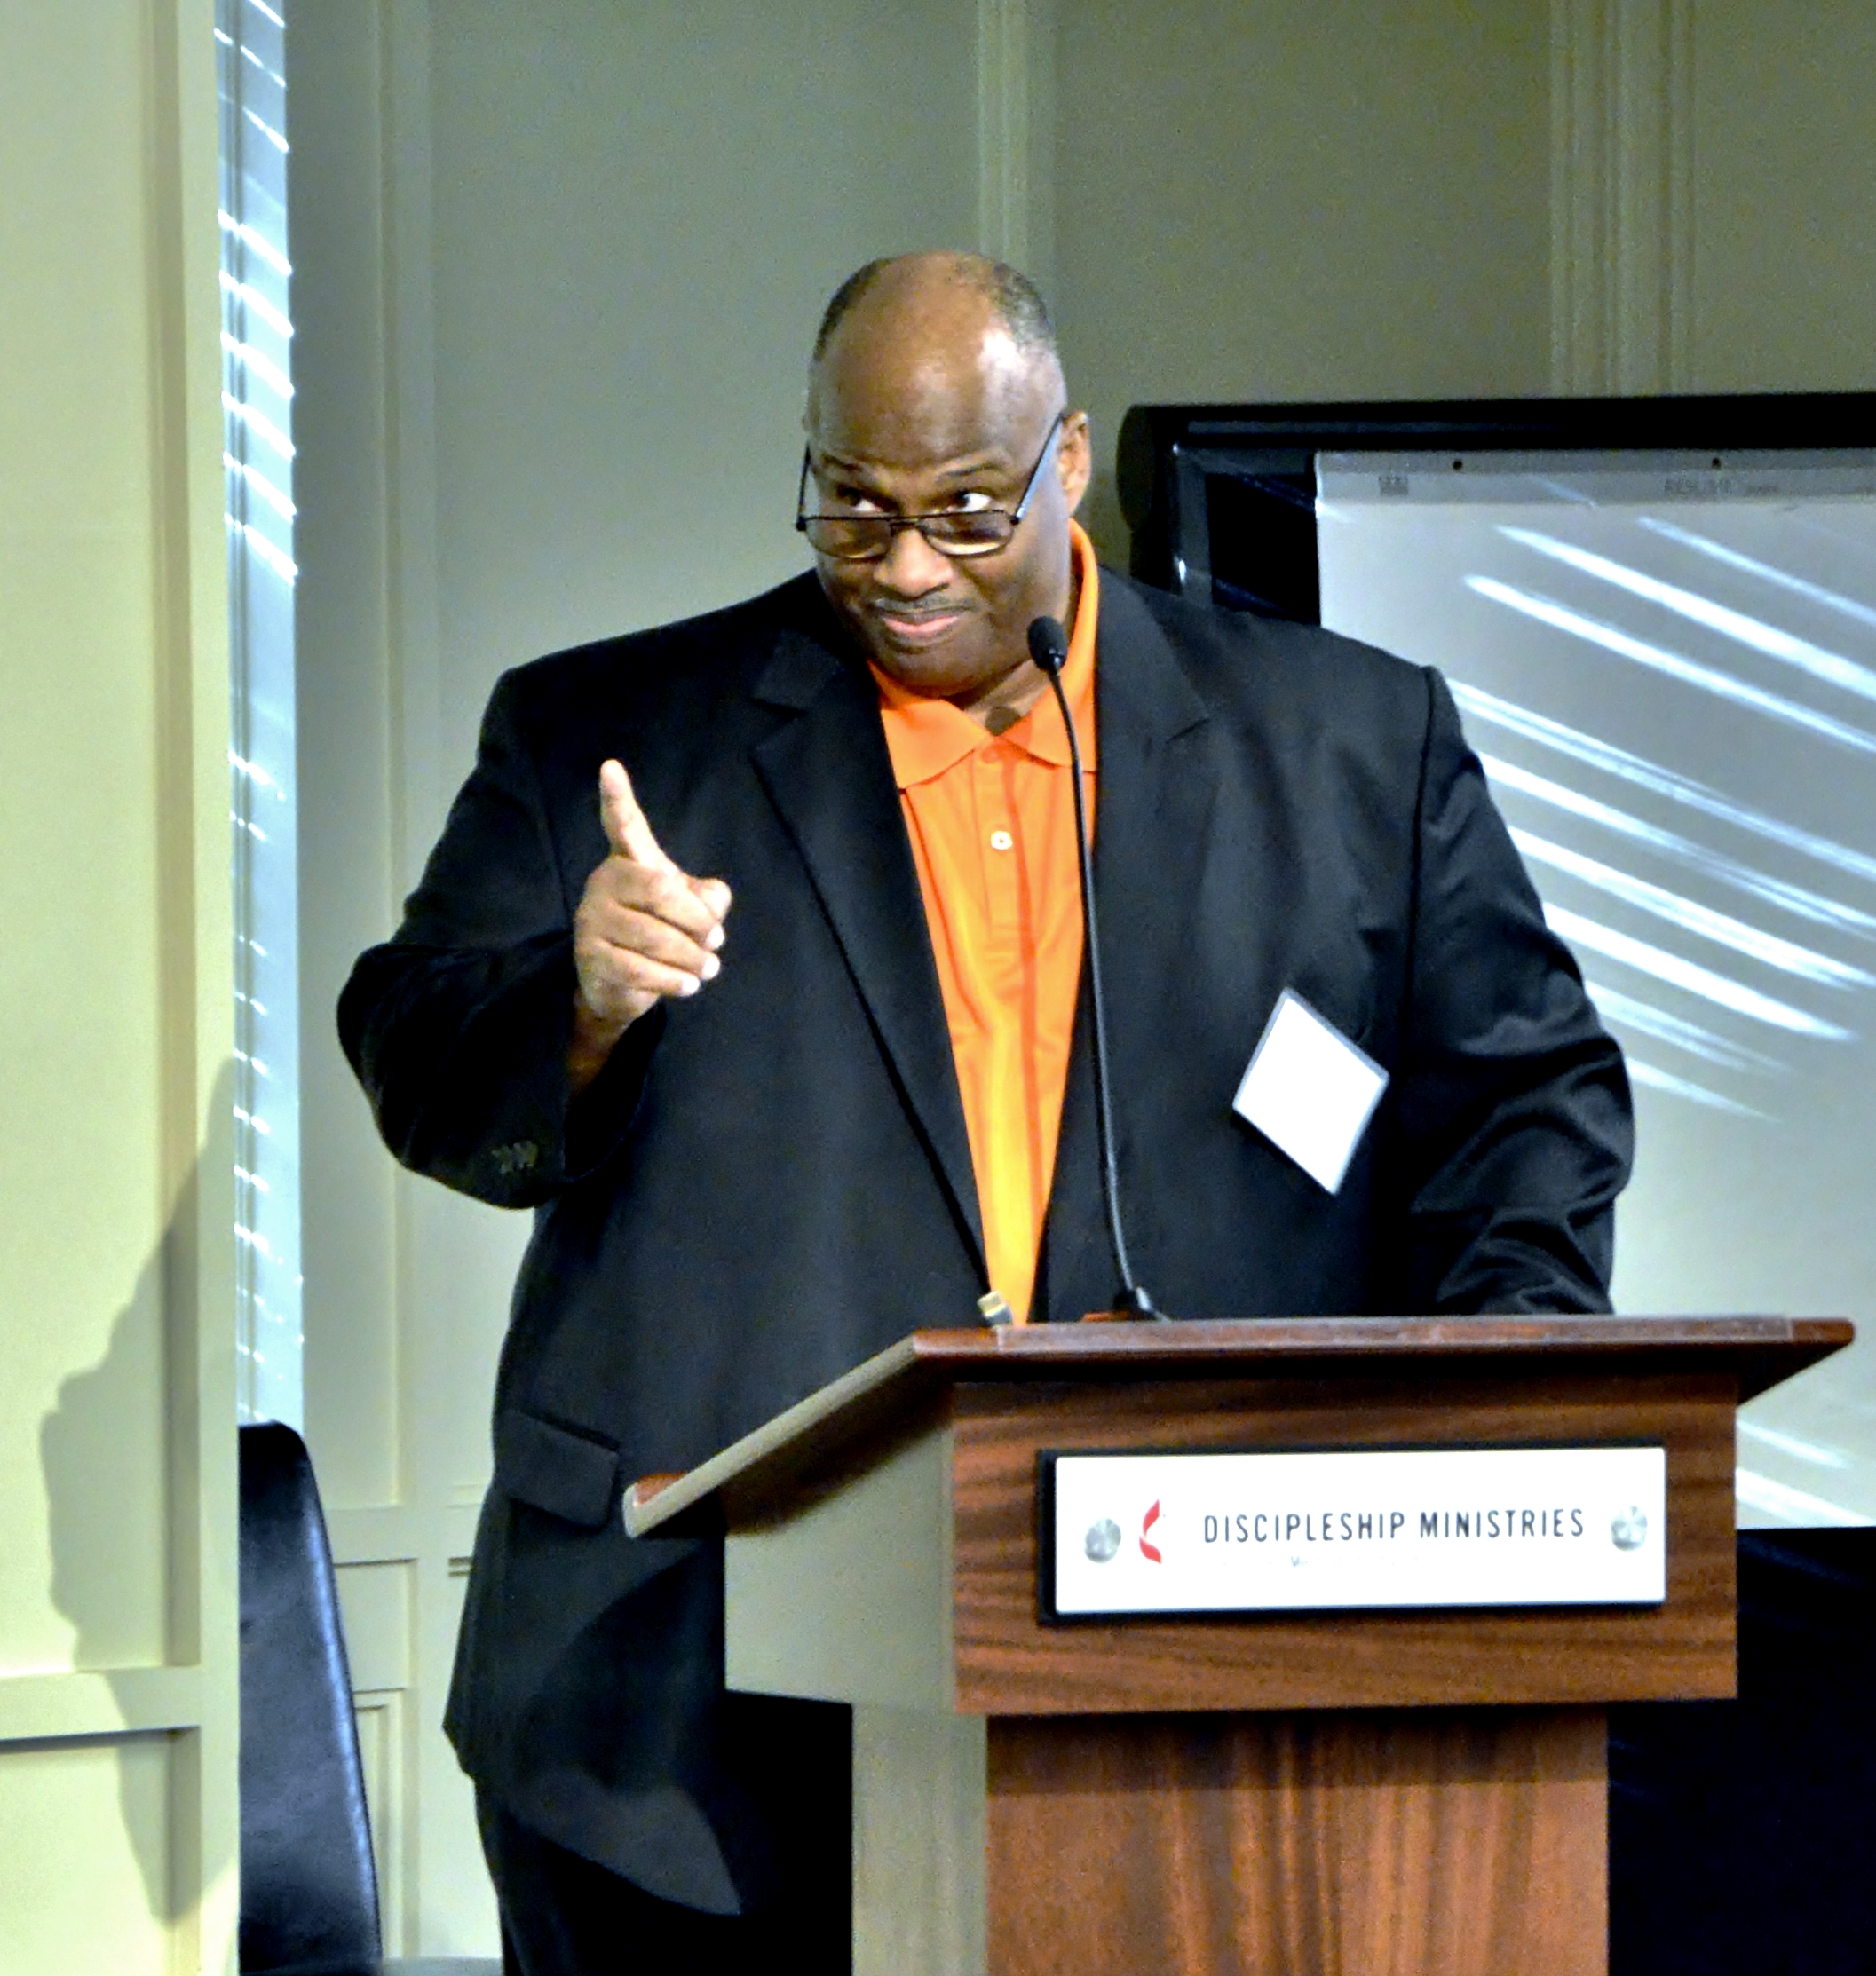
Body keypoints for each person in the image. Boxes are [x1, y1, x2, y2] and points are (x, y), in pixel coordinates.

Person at [339, 251, 1632, 1972]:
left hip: (1204, 1715)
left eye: (961, 510)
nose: (901, 567)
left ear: (1068, 463)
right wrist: (574, 1005)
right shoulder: (616, 740)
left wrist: (1491, 1413)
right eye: (851, 507)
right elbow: (413, 1049)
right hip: (672, 1741)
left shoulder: (1345, 750)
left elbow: (1529, 1099)